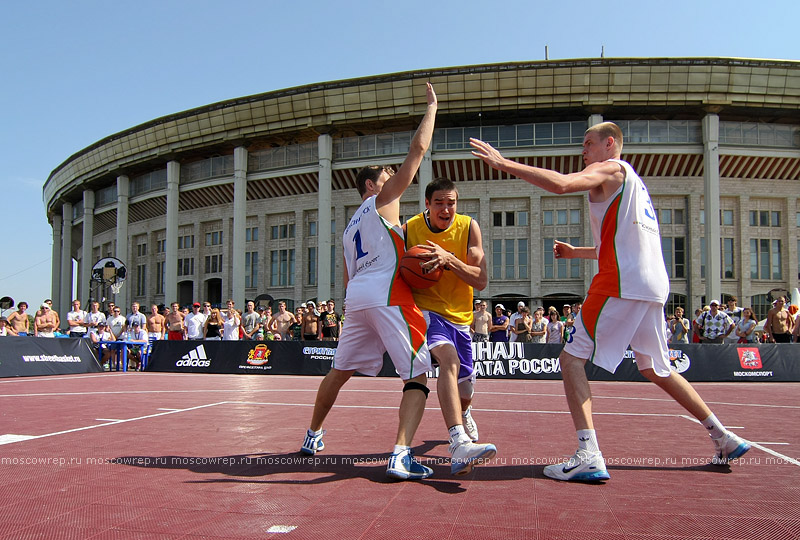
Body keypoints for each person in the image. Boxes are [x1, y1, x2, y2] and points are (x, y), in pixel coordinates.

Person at [471, 122, 750, 481]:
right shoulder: (635, 188)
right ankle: (722, 435)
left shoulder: (612, 168)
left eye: (589, 143)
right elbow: (615, 247)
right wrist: (576, 253)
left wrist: (504, 164)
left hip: (621, 282)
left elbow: (561, 184)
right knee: (656, 368)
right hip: (652, 285)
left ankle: (588, 452)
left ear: (610, 144)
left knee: (571, 359)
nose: (584, 151)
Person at [301, 82, 438, 480]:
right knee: (417, 373)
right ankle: (400, 454)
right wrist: (432, 109)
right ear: (370, 186)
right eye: (386, 175)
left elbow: (347, 278)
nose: (393, 176)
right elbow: (417, 153)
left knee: (338, 372)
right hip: (386, 291)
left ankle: (313, 435)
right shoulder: (381, 201)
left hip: (357, 298)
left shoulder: (348, 230)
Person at [404, 175, 498, 474]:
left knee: (466, 388)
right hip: (428, 311)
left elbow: (480, 279)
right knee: (448, 359)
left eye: (451, 203)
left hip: (461, 316)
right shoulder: (410, 229)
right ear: (428, 205)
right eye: (439, 204)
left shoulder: (468, 227)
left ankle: (464, 411)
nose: (446, 209)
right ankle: (458, 441)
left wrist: (448, 259)